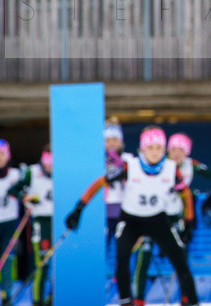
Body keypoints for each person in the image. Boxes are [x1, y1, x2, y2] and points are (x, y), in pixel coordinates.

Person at [66, 126, 200, 306]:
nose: (154, 153)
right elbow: (100, 182)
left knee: (179, 260)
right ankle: (126, 301)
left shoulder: (171, 168)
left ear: (164, 150)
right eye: (150, 148)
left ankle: (192, 301)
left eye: (159, 148)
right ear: (142, 149)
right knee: (122, 258)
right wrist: (79, 209)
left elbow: (185, 193)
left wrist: (189, 221)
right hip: (131, 220)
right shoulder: (130, 167)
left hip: (157, 219)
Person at [133, 132, 211, 304]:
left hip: (176, 219)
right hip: (153, 217)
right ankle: (138, 300)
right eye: (173, 149)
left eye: (181, 150)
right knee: (144, 255)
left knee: (181, 259)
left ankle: (186, 298)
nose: (177, 153)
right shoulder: (159, 163)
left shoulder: (190, 165)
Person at [16, 146, 53, 306]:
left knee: (59, 265)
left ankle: (53, 297)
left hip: (60, 222)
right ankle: (37, 301)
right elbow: (16, 189)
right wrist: (26, 197)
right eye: (47, 161)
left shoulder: (64, 172)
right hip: (41, 222)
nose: (49, 166)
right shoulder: (32, 171)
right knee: (42, 262)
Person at [0, 140, 23, 306]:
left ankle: (7, 294)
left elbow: (26, 191)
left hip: (9, 222)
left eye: (1, 154)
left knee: (6, 260)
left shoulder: (15, 174)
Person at [104, 118, 126, 246]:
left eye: (115, 140)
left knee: (122, 248)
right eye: (108, 140)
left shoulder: (128, 159)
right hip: (103, 211)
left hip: (122, 211)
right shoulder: (98, 162)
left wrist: (122, 165)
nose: (112, 143)